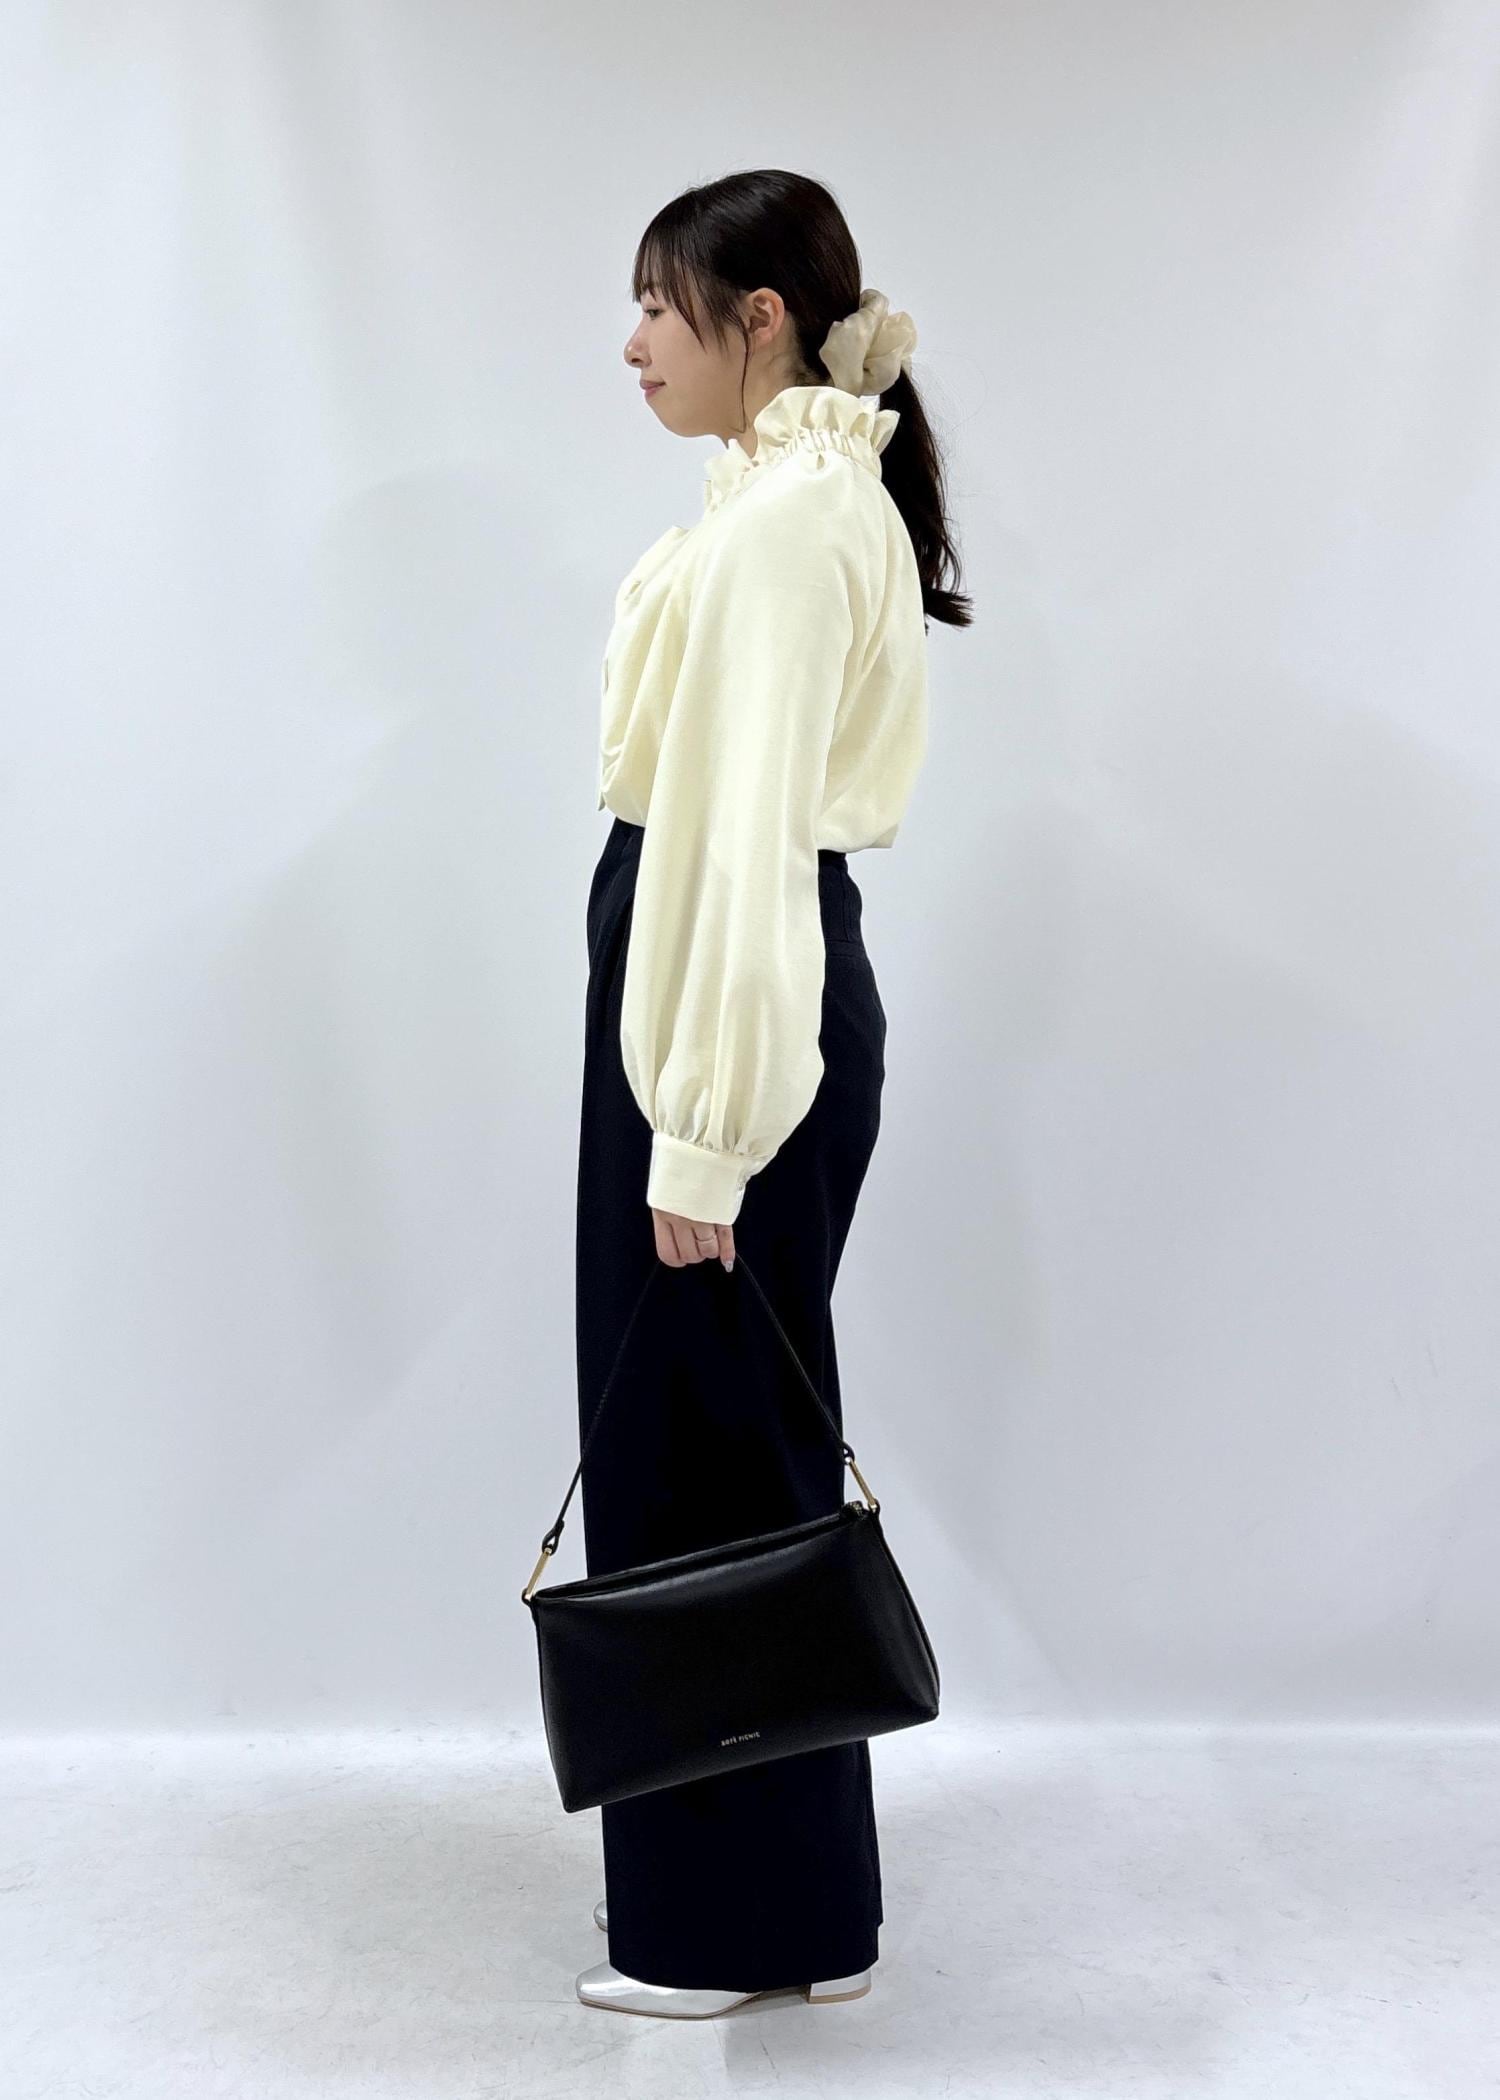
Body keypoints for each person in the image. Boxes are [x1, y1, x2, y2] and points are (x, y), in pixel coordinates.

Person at [572, 169, 971, 2020]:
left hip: (735, 1011)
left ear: (761, 320)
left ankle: (715, 1934)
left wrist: (705, 1129)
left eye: (662, 303)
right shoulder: (788, 499)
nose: (632, 342)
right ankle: (791, 1916)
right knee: (735, 1449)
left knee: (701, 1466)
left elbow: (738, 847)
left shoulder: (796, 523)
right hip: (732, 990)